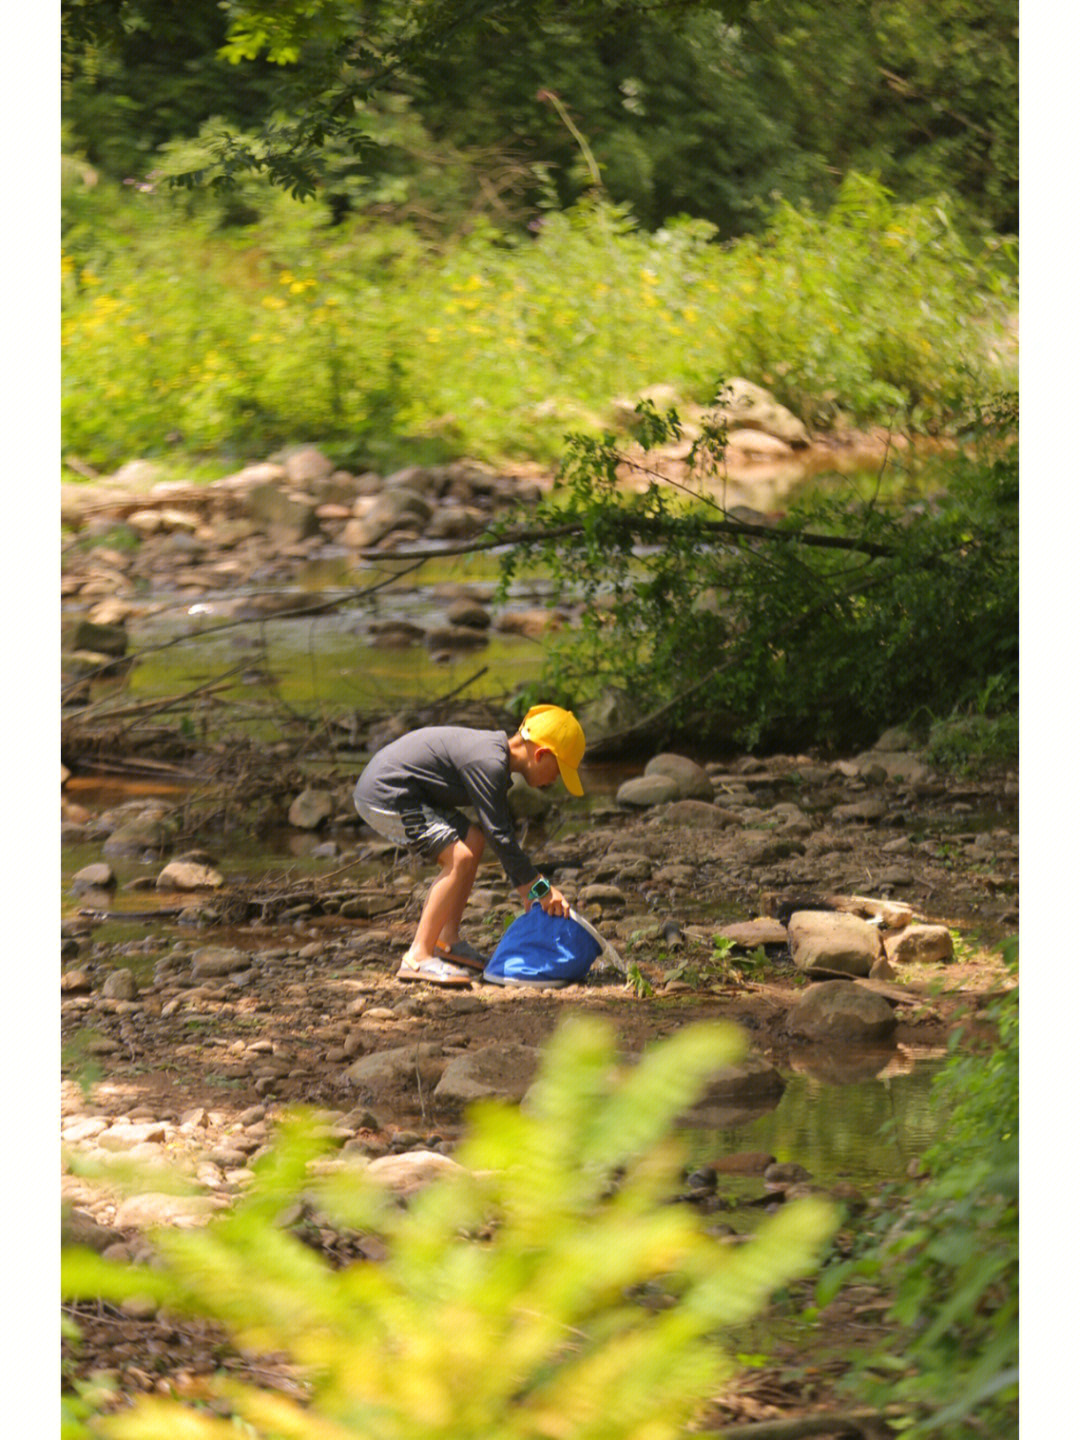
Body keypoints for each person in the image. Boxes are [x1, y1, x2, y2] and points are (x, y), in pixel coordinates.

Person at [352, 704, 586, 986]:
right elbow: (501, 837)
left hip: (412, 792)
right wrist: (539, 888)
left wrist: (528, 888)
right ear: (541, 755)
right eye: (559, 771)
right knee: (459, 857)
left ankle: (445, 939)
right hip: (385, 793)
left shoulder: (494, 758)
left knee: (472, 839)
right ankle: (417, 956)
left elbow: (495, 834)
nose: (556, 780)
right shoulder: (488, 764)